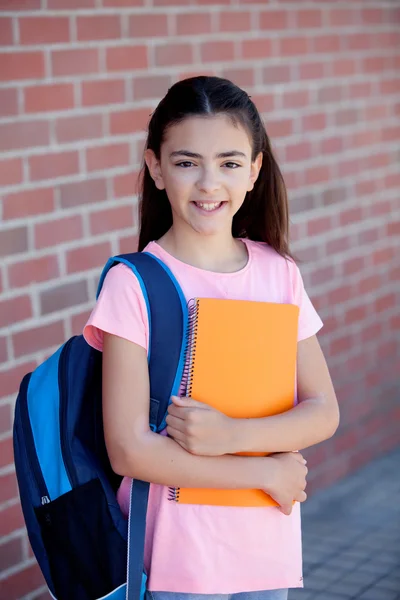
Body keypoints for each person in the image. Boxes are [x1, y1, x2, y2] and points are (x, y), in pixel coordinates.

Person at [83, 76, 339, 600]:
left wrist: (232, 438)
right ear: (155, 167)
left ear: (255, 170)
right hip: (179, 560)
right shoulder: (134, 283)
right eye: (185, 162)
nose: (208, 183)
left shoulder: (278, 273)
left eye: (228, 162)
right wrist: (264, 474)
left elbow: (323, 410)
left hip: (266, 550)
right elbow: (129, 450)